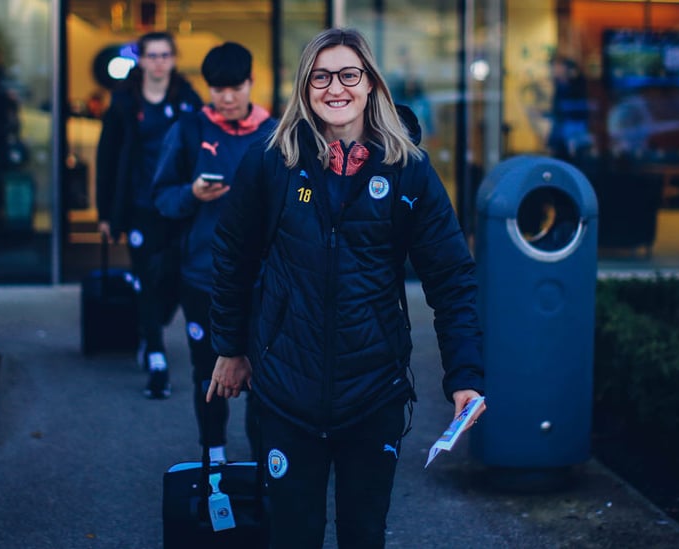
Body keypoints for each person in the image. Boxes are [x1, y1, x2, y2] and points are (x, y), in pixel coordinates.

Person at [207, 28, 485, 548]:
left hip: (373, 392)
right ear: (304, 87)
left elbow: (451, 278)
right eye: (321, 76)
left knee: (363, 535)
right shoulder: (272, 161)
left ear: (371, 84)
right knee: (293, 535)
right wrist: (231, 347)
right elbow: (232, 257)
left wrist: (464, 374)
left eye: (349, 74)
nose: (336, 87)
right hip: (287, 392)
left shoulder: (409, 171)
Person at [151, 42, 277, 464]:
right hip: (202, 276)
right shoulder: (189, 131)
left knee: (266, 376)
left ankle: (264, 465)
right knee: (208, 372)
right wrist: (192, 193)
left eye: (235, 88)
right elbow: (162, 198)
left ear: (251, 84)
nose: (226, 98)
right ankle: (214, 455)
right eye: (217, 89)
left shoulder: (274, 132)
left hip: (265, 280)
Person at [95, 31, 202, 399]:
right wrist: (106, 212)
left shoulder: (189, 100)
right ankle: (156, 357)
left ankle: (149, 327)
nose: (158, 62)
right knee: (144, 276)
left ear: (173, 59)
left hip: (179, 204)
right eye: (151, 55)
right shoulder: (124, 102)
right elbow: (107, 158)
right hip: (140, 205)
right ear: (140, 60)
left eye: (164, 55)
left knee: (172, 278)